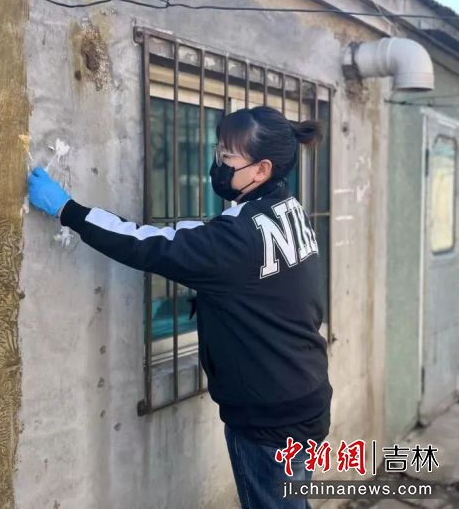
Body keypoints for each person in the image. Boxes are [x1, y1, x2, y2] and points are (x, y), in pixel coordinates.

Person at [28, 106, 332, 508]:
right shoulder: (288, 209)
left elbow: (145, 242)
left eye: (227, 156)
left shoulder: (236, 238)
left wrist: (67, 210)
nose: (218, 163)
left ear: (261, 170)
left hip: (268, 417)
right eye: (218, 150)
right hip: (305, 393)